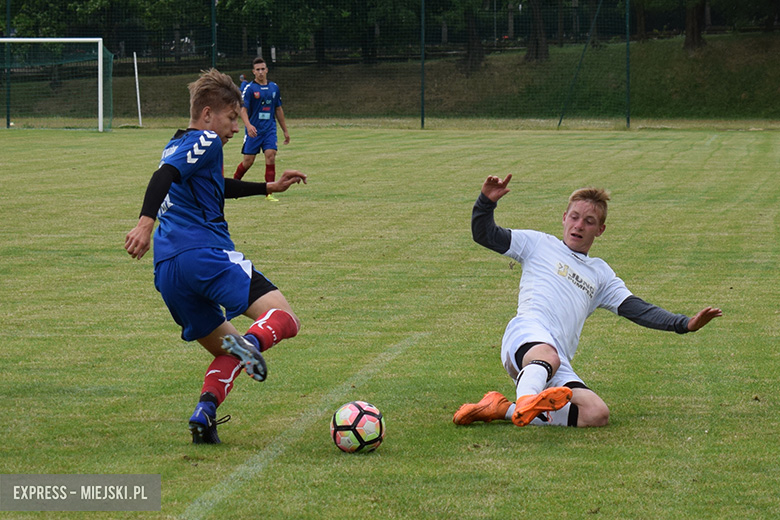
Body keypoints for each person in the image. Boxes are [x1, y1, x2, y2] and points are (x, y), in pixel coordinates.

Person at [124, 68, 307, 444]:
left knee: (230, 350)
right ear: (207, 114)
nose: (235, 127)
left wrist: (269, 186)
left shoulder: (180, 142)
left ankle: (205, 413)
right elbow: (163, 177)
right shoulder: (206, 140)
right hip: (203, 255)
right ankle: (251, 344)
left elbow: (213, 185)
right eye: (230, 117)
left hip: (169, 272)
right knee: (285, 318)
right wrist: (144, 224)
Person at [453, 174, 722, 428]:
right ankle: (527, 401)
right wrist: (485, 203)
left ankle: (501, 408)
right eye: (575, 217)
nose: (579, 225)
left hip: (557, 360)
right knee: (549, 355)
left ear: (601, 229)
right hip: (527, 335)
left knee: (596, 414)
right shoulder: (537, 244)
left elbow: (637, 308)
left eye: (589, 221)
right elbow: (484, 234)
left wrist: (684, 324)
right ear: (564, 218)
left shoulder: (600, 273)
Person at [232, 57, 290, 203]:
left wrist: (285, 130)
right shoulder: (250, 89)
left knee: (271, 155)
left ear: (267, 70)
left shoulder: (274, 88)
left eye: (263, 69)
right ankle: (233, 185)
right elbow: (243, 110)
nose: (260, 72)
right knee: (248, 161)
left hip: (269, 129)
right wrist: (248, 125)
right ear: (253, 72)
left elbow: (278, 109)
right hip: (254, 131)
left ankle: (269, 192)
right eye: (257, 70)